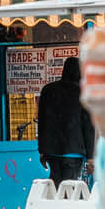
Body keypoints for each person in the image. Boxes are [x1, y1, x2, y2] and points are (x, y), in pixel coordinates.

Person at [36, 56, 95, 185]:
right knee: (69, 189)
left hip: (51, 151)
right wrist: (90, 156)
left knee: (56, 187)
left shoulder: (48, 90)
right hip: (73, 151)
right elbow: (88, 126)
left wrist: (41, 150)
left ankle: (55, 205)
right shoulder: (82, 93)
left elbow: (42, 121)